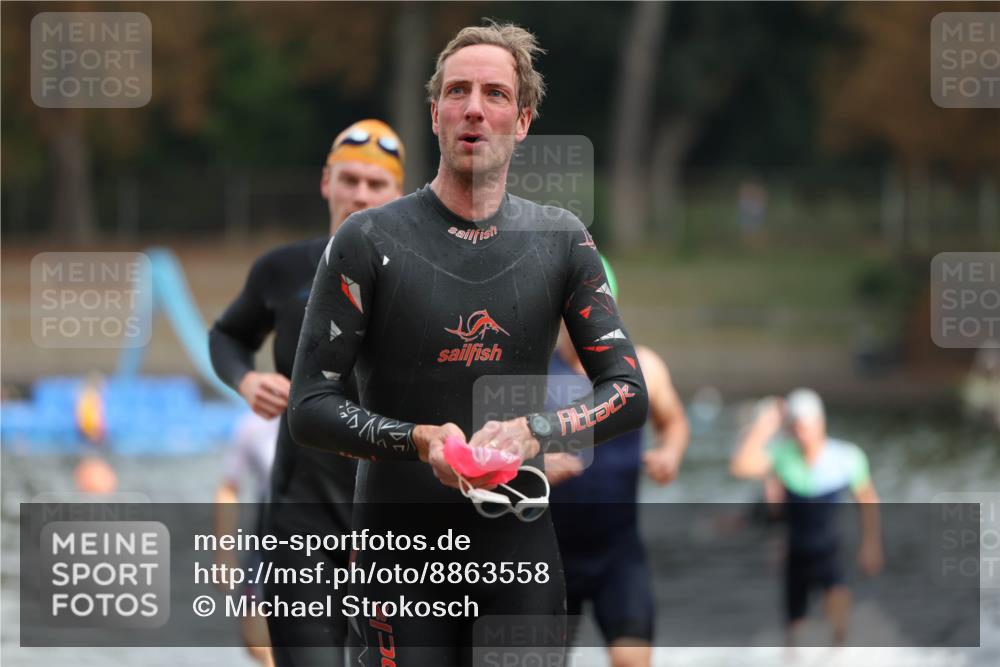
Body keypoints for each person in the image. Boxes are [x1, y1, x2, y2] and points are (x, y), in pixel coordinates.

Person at [287, 20, 648, 667]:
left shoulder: (561, 240)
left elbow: (627, 390)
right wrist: (418, 439)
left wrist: (537, 429)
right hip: (399, 552)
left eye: (494, 93)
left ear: (524, 119)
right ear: (434, 114)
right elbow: (310, 404)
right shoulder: (368, 241)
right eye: (457, 92)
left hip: (517, 553)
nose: (474, 108)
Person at [209, 119, 405, 666]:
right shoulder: (281, 270)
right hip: (301, 522)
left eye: (376, 184)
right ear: (326, 182)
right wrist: (246, 379)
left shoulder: (423, 277)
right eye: (350, 180)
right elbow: (227, 335)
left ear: (399, 194)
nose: (360, 194)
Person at [544, 260, 689, 667]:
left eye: (596, 305)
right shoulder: (533, 374)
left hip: (618, 555)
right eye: (574, 307)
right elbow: (492, 456)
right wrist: (536, 465)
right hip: (550, 555)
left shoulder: (645, 368)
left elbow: (674, 421)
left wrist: (670, 453)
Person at [730, 389, 883, 646]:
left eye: (806, 426)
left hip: (832, 553)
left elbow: (867, 500)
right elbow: (740, 466)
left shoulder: (846, 457)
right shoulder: (783, 456)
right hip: (796, 555)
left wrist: (871, 545)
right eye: (796, 427)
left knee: (839, 627)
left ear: (819, 423)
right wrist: (766, 424)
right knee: (796, 636)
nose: (802, 433)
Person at [213, 411, 279, 667]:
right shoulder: (254, 426)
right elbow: (229, 487)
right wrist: (223, 553)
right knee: (257, 640)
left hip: (325, 535)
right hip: (268, 539)